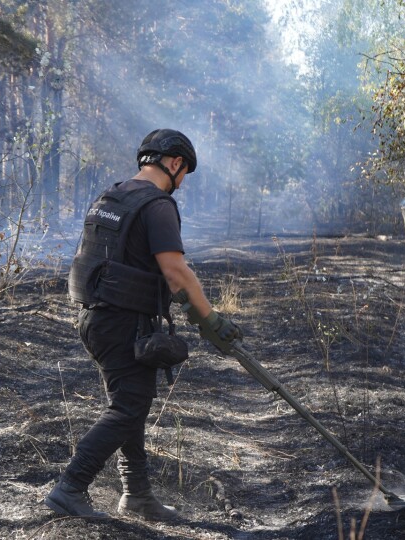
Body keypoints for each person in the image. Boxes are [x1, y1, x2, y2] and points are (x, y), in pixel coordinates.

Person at [45, 129, 242, 521]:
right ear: (174, 163)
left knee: (128, 404)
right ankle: (70, 487)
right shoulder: (157, 205)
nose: (182, 183)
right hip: (122, 321)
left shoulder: (112, 197)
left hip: (95, 319)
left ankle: (137, 494)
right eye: (184, 173)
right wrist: (211, 319)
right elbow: (175, 272)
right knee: (130, 406)